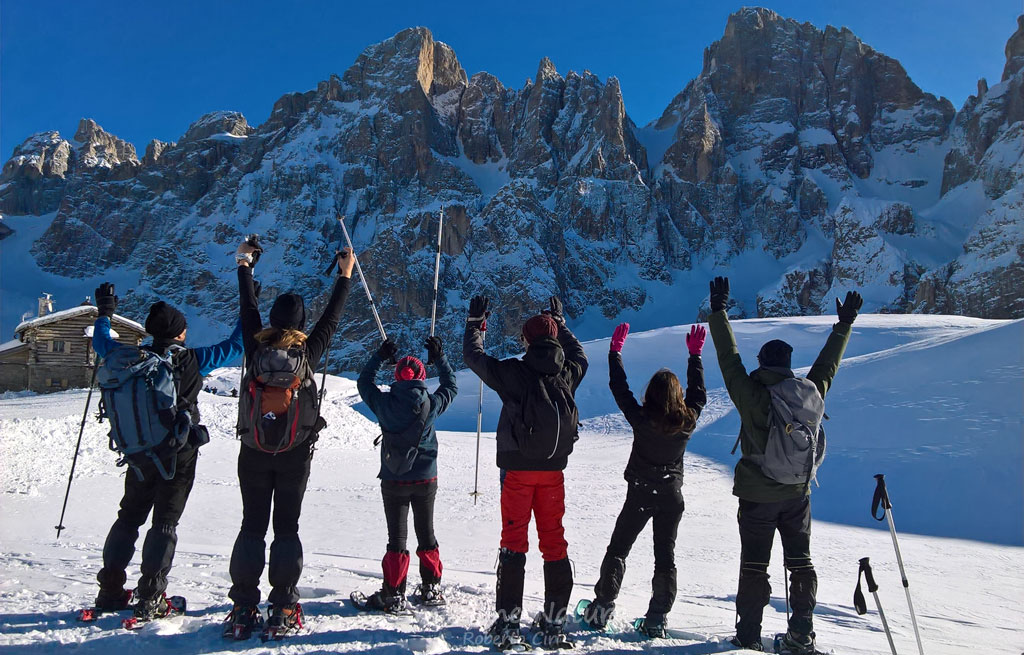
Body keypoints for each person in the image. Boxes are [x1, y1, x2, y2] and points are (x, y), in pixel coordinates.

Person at [707, 276, 862, 654]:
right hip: (798, 493)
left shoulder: (752, 395)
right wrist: (844, 325)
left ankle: (747, 637)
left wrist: (718, 313)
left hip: (758, 496)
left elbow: (729, 360)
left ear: (762, 363)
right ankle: (801, 635)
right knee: (801, 563)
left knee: (754, 565)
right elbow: (827, 368)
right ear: (789, 365)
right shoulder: (809, 394)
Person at [224, 241, 355, 639]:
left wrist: (245, 264)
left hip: (253, 451)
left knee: (251, 526)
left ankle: (244, 607)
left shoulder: (255, 346)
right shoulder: (307, 354)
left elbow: (248, 308)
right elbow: (331, 320)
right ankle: (282, 605)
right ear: (300, 322)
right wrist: (345, 274)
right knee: (286, 527)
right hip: (295, 453)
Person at [90, 283, 242, 621]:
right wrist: (249, 302)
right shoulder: (192, 360)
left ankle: (110, 589)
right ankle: (151, 595)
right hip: (178, 455)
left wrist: (105, 312)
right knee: (164, 523)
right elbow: (236, 346)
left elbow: (100, 342)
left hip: (138, 454)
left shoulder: (127, 358)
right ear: (179, 333)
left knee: (128, 517)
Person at [463, 295, 588, 650]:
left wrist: (475, 323)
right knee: (554, 542)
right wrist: (561, 324)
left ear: (527, 340)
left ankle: (507, 624)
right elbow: (580, 355)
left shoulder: (513, 374)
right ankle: (553, 624)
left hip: (516, 472)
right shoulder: (567, 374)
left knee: (514, 544)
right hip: (553, 473)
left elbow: (472, 357)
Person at [579, 322, 707, 638]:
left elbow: (619, 388)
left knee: (619, 550)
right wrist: (695, 357)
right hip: (671, 496)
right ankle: (656, 619)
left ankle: (601, 611)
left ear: (650, 394)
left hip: (640, 494)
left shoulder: (642, 418)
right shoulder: (688, 420)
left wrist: (614, 352)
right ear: (678, 396)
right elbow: (699, 395)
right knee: (665, 557)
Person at [354, 335, 458, 612]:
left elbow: (364, 383)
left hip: (393, 478)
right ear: (422, 378)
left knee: (397, 537)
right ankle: (431, 587)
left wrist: (379, 356)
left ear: (398, 377)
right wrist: (440, 358)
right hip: (426, 478)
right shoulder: (431, 404)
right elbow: (451, 386)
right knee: (427, 533)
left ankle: (394, 593)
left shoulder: (384, 404)